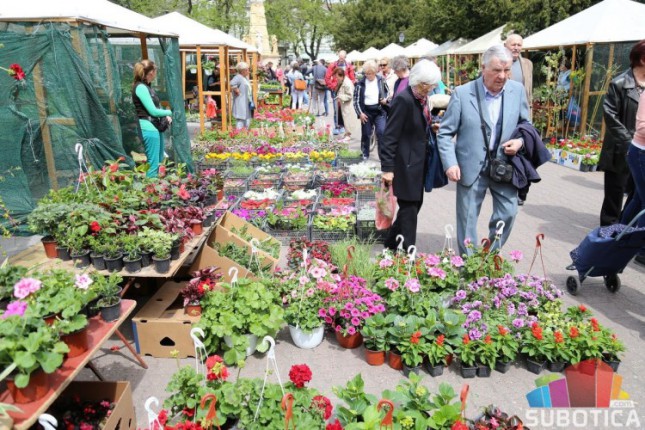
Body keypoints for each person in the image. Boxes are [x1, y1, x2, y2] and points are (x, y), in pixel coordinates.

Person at [437, 45, 530, 256]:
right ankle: (469, 264)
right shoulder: (462, 93)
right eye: (497, 70)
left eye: (507, 70)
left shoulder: (517, 91)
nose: (502, 76)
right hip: (470, 167)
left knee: (509, 212)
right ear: (483, 68)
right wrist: (450, 163)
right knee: (467, 219)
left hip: (504, 165)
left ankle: (488, 256)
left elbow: (526, 126)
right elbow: (444, 133)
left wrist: (519, 142)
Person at [380, 60, 442, 251]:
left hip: (418, 164)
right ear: (418, 82)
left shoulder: (421, 99)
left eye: (432, 85)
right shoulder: (404, 100)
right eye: (427, 85)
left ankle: (391, 242)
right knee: (410, 209)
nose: (430, 89)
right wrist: (387, 169)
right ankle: (409, 251)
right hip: (405, 165)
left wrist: (430, 127)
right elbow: (389, 137)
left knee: (415, 205)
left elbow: (416, 125)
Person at [599, 40, 645, 227]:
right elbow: (610, 115)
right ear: (642, 59)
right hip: (619, 149)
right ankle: (607, 232)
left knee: (637, 194)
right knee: (614, 195)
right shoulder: (619, 83)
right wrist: (629, 142)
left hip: (641, 150)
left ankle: (625, 229)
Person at [132, 59, 172, 178]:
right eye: (155, 70)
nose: (156, 73)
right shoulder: (140, 87)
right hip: (148, 127)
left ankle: (155, 186)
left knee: (159, 160)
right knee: (153, 164)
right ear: (151, 72)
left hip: (155, 127)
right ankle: (150, 188)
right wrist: (172, 111)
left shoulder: (147, 87)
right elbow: (153, 111)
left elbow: (156, 108)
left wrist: (165, 115)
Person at [353, 60, 389, 160]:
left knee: (381, 132)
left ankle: (383, 156)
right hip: (366, 112)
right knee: (366, 133)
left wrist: (385, 99)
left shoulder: (381, 80)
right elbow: (355, 100)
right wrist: (360, 113)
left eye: (370, 73)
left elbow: (388, 93)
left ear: (375, 72)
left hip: (379, 111)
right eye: (366, 73)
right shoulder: (360, 83)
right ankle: (365, 154)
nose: (368, 75)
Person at [325, 50, 356, 134]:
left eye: (343, 57)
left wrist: (349, 86)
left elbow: (352, 78)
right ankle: (337, 126)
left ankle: (343, 126)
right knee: (336, 109)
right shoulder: (332, 65)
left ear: (345, 57)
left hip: (345, 89)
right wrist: (333, 86)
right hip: (335, 90)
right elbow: (327, 78)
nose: (341, 59)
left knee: (345, 108)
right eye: (340, 57)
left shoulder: (349, 66)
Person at [504, 34, 533, 119]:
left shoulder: (528, 64)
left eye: (519, 45)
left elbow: (529, 90)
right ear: (505, 46)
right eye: (513, 45)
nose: (516, 48)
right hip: (505, 111)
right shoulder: (499, 64)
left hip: (523, 111)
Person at [334, 68, 358, 139]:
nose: (336, 79)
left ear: (341, 76)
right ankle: (347, 133)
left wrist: (340, 97)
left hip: (347, 105)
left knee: (347, 119)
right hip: (343, 104)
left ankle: (348, 134)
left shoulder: (347, 83)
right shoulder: (342, 81)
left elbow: (350, 95)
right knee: (344, 119)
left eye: (337, 77)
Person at [230, 62, 253, 129]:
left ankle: (245, 132)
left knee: (247, 118)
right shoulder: (238, 77)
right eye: (247, 69)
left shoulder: (245, 78)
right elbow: (232, 83)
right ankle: (239, 133)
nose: (248, 71)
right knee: (241, 118)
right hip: (241, 101)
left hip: (247, 101)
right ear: (243, 71)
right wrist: (236, 90)